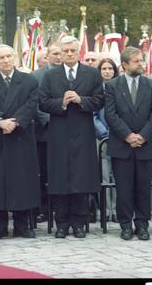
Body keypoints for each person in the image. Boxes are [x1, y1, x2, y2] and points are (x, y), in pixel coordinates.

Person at [39, 36, 104, 238]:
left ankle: (79, 223)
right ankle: (62, 223)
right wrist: (62, 103)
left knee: (81, 179)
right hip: (58, 133)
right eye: (65, 51)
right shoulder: (50, 76)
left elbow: (100, 100)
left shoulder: (92, 74)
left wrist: (81, 100)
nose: (68, 54)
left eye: (72, 51)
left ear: (78, 52)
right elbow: (42, 102)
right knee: (60, 179)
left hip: (83, 133)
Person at [0, 44, 40, 240]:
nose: (5, 60)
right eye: (1, 57)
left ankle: (22, 225)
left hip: (21, 136)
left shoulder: (29, 80)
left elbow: (32, 104)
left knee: (22, 180)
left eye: (8, 56)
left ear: (15, 58)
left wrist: (16, 122)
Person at [105, 46, 152, 241]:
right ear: (125, 65)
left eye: (141, 60)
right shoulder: (112, 86)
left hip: (144, 146)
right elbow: (111, 115)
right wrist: (128, 135)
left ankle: (142, 224)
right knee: (124, 188)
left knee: (144, 188)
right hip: (122, 146)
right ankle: (126, 225)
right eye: (137, 61)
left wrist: (143, 136)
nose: (141, 64)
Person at [33, 44, 62, 223]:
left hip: (64, 133)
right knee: (43, 172)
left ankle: (60, 208)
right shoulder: (36, 76)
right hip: (43, 133)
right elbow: (34, 103)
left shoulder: (69, 75)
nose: (59, 57)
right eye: (55, 54)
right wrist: (50, 120)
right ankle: (43, 208)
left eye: (61, 54)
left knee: (59, 172)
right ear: (47, 56)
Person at [93, 58, 119, 223]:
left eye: (110, 68)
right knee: (103, 175)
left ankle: (116, 210)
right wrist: (104, 133)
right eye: (104, 68)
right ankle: (105, 209)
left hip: (118, 136)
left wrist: (117, 131)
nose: (107, 71)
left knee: (117, 175)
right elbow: (93, 115)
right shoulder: (96, 90)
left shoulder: (119, 87)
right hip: (100, 137)